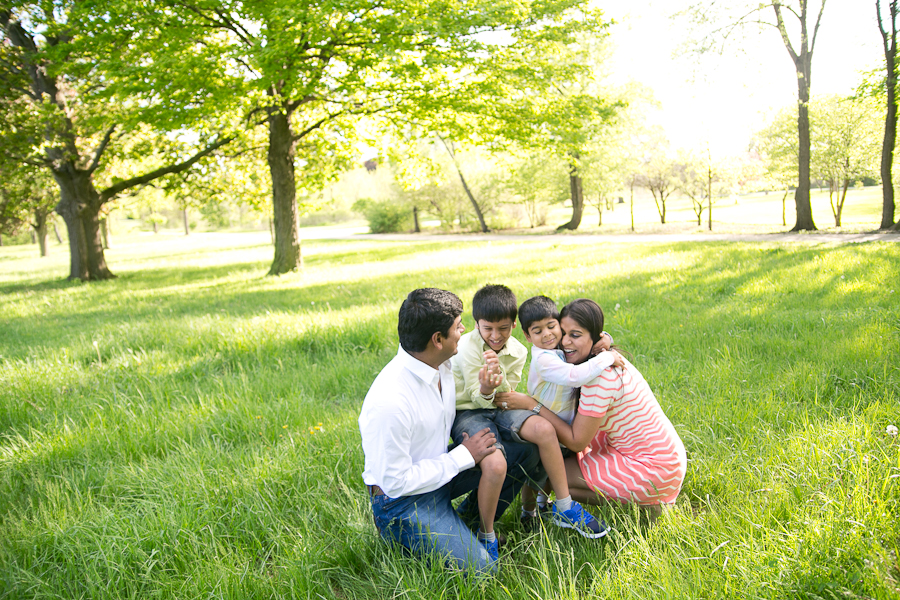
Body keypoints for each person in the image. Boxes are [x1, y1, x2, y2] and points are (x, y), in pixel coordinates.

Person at [358, 288, 539, 574]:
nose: (464, 330)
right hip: (402, 502)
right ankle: (412, 536)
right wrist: (463, 456)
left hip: (440, 474)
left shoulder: (441, 363)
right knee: (483, 572)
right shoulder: (390, 401)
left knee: (526, 452)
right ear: (437, 339)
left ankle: (467, 524)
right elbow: (395, 482)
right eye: (457, 327)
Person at [497, 298, 687, 518]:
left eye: (575, 335)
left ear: (594, 338)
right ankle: (540, 506)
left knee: (548, 471)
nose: (564, 342)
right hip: (666, 458)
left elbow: (577, 441)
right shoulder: (600, 359)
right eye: (563, 332)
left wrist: (532, 404)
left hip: (652, 469)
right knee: (553, 457)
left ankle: (646, 502)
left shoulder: (599, 376)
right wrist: (605, 339)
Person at [451, 285, 608, 549]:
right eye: (487, 328)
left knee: (543, 430)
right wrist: (488, 387)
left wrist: (602, 341)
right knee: (495, 461)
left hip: (500, 405)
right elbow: (474, 395)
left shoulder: (520, 350)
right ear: (476, 324)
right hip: (468, 410)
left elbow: (508, 390)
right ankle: (486, 533)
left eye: (503, 328)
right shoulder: (468, 347)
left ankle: (564, 505)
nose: (495, 335)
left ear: (513, 326)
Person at [515, 295, 624, 523]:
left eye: (551, 327)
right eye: (537, 331)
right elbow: (574, 376)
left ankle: (544, 505)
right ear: (527, 336)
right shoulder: (543, 358)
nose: (547, 334)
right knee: (536, 475)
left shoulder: (559, 347)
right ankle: (528, 513)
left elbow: (584, 336)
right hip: (542, 422)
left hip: (564, 427)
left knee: (548, 473)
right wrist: (607, 356)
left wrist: (604, 339)